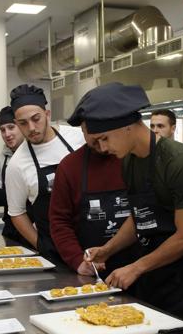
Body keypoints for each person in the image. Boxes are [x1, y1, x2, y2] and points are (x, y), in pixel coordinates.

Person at [82, 82, 183, 328]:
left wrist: (136, 268)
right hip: (153, 278)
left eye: (104, 139)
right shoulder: (128, 161)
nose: (102, 148)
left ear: (127, 126)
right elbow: (140, 216)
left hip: (182, 282)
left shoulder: (178, 162)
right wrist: (107, 250)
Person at [49, 104, 135, 277]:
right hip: (92, 271)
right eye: (94, 141)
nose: (103, 147)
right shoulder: (69, 167)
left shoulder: (133, 159)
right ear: (83, 130)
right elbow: (59, 221)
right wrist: (77, 260)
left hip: (137, 266)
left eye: (105, 138)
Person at [5, 84, 85, 263]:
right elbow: (17, 213)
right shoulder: (17, 165)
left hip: (93, 240)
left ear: (47, 114)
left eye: (36, 119)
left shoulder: (78, 137)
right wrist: (41, 245)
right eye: (23, 123)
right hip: (56, 250)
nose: (31, 128)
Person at [0, 106, 28, 243]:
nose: (7, 134)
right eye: (2, 130)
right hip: (11, 229)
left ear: (21, 126)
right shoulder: (0, 160)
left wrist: (9, 194)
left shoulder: (35, 156)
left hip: (37, 228)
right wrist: (25, 194)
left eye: (11, 127)